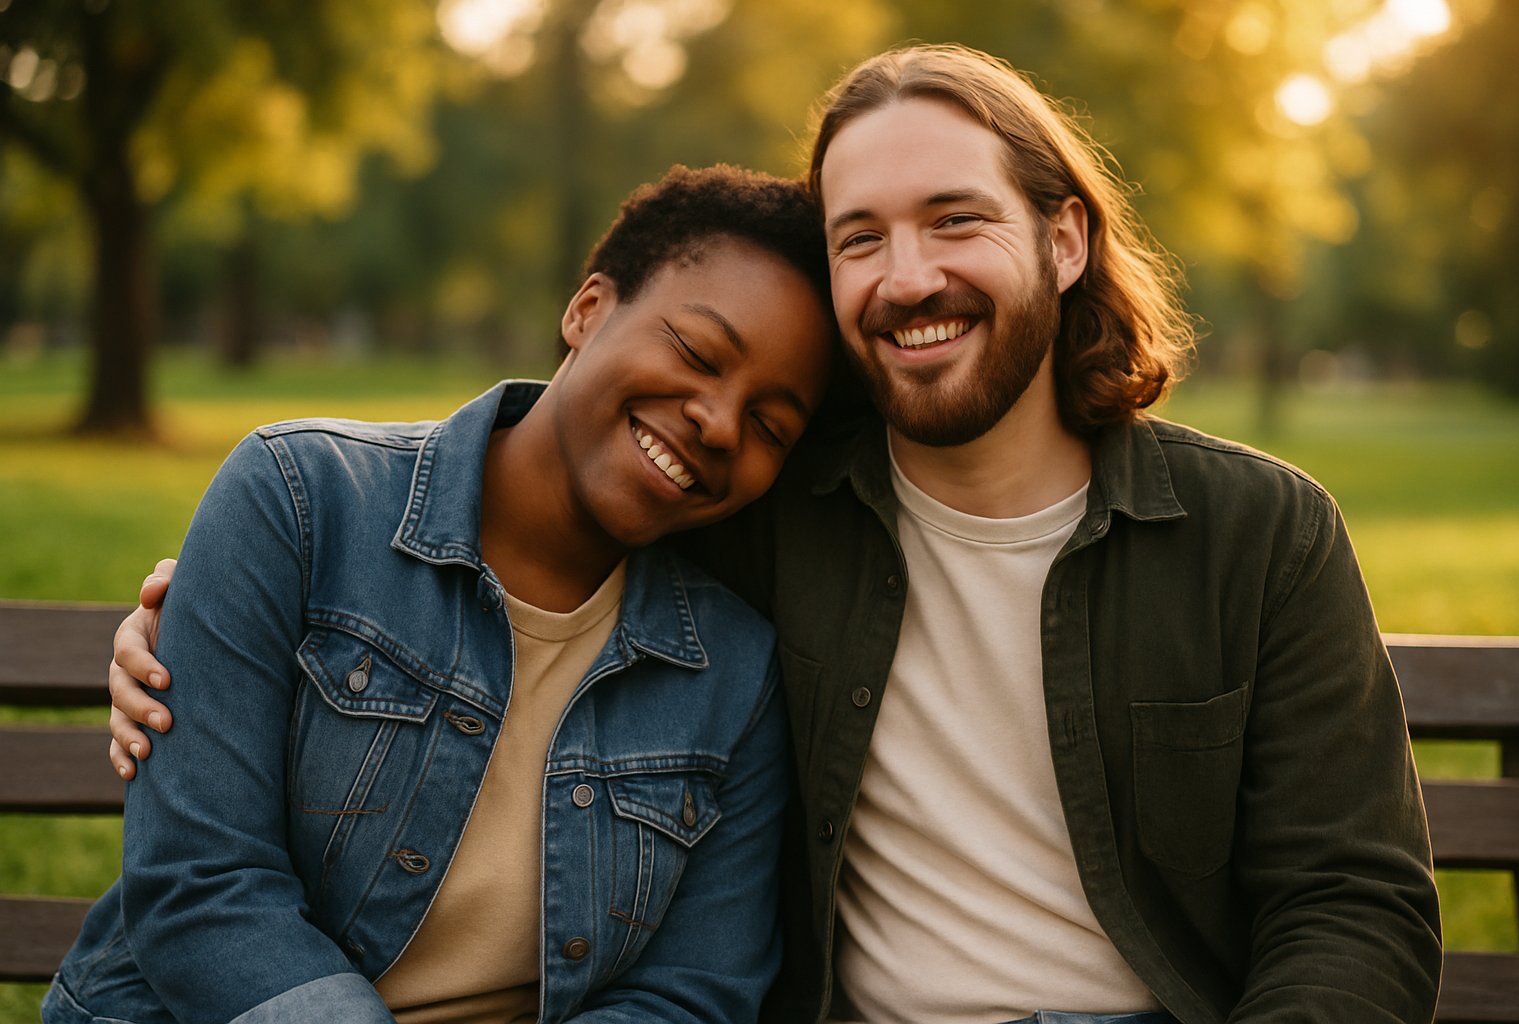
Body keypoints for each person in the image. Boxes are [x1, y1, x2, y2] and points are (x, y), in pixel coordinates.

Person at [105, 44, 1442, 1024]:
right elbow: (516, 529)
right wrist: (194, 611)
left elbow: (1353, 907)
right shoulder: (767, 519)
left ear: (1068, 239)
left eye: (956, 221)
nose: (909, 275)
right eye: (862, 238)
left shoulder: (1261, 535)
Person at [45, 165, 839, 1024]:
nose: (720, 423)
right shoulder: (301, 500)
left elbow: (689, 996)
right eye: (695, 352)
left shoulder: (732, 674)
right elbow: (201, 888)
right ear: (588, 309)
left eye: (769, 425)